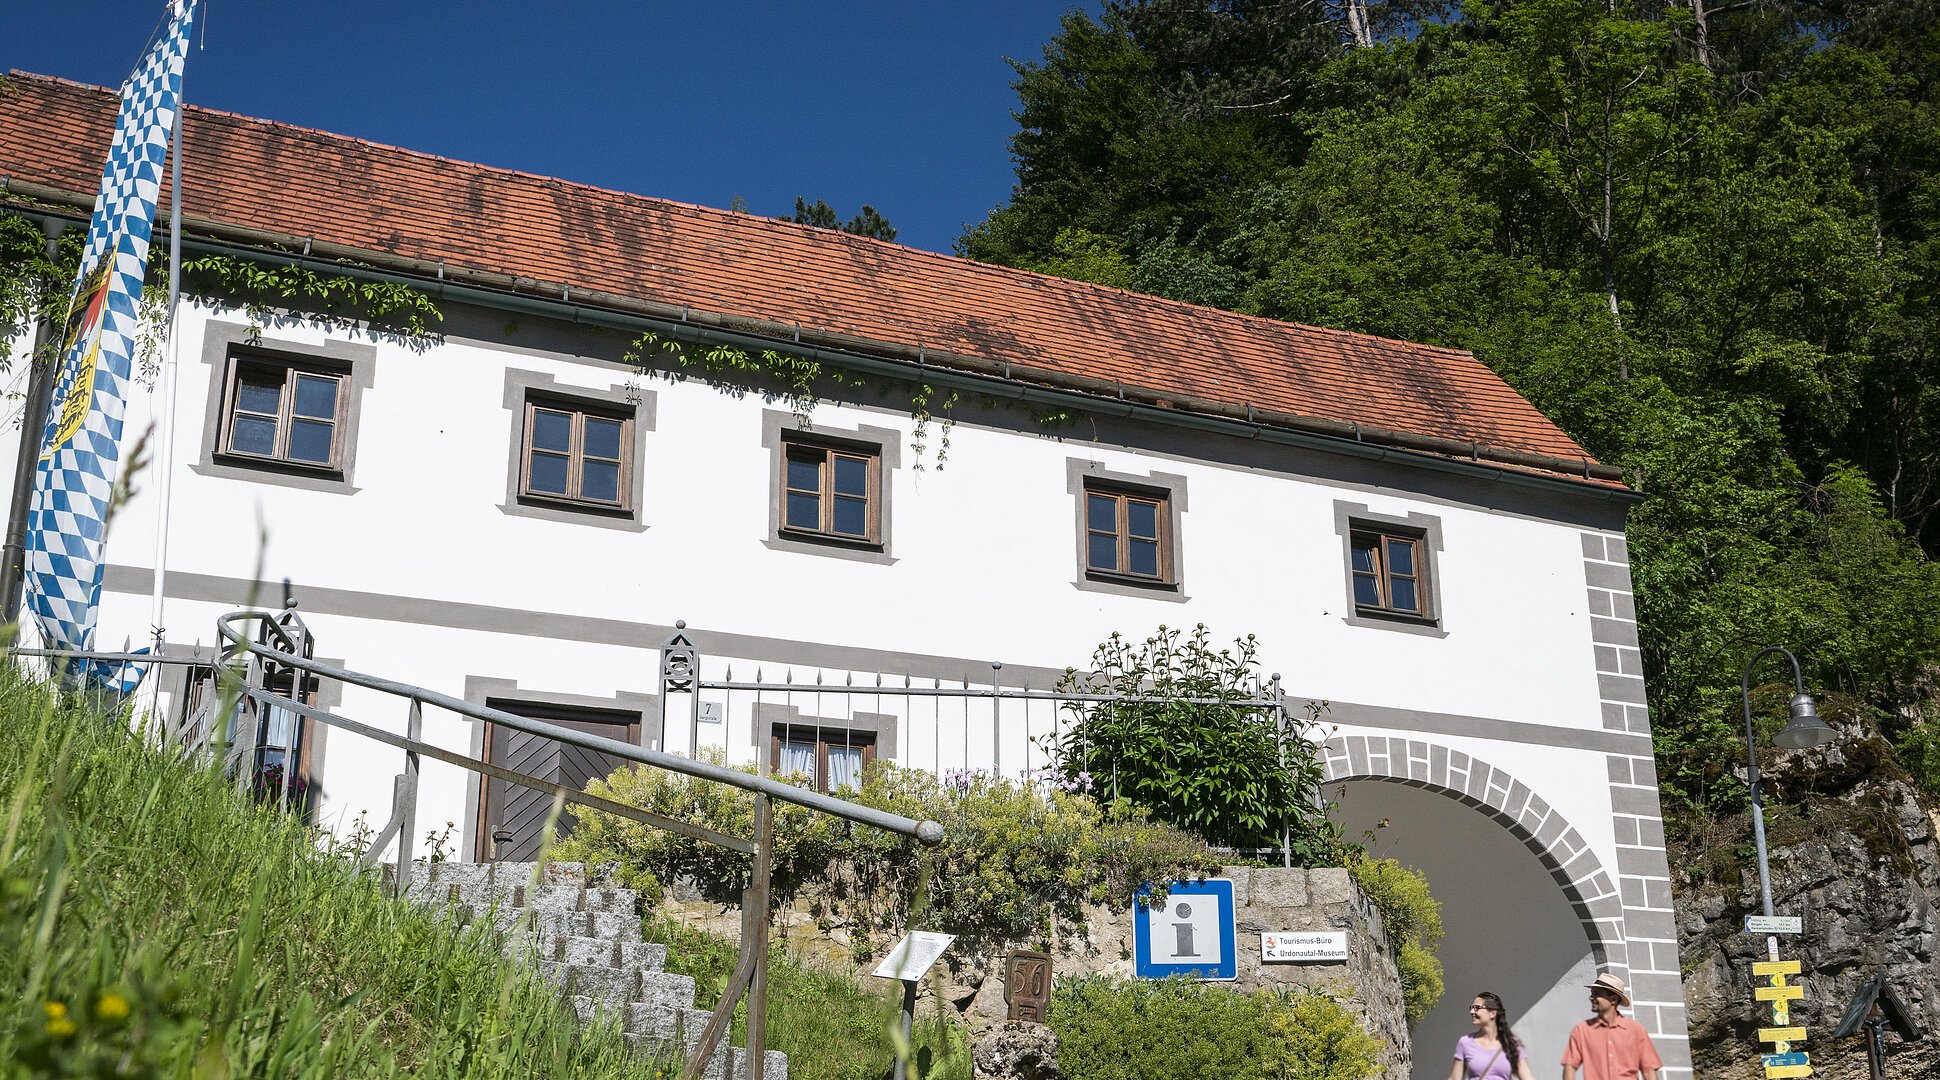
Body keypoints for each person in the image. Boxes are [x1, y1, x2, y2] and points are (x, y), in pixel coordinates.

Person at [1561, 972, 1663, 1080]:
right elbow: (1569, 1067)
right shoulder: (1581, 1030)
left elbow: (1649, 1071)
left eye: (1596, 994)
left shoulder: (1636, 1030)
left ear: (1613, 999)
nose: (1591, 997)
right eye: (1592, 993)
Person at [1448, 991, 1536, 1080]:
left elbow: (1527, 1077)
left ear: (1492, 1013)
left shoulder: (1511, 1043)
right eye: (1471, 1008)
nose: (1471, 1011)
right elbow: (1455, 1078)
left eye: (1476, 1008)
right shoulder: (1465, 1043)